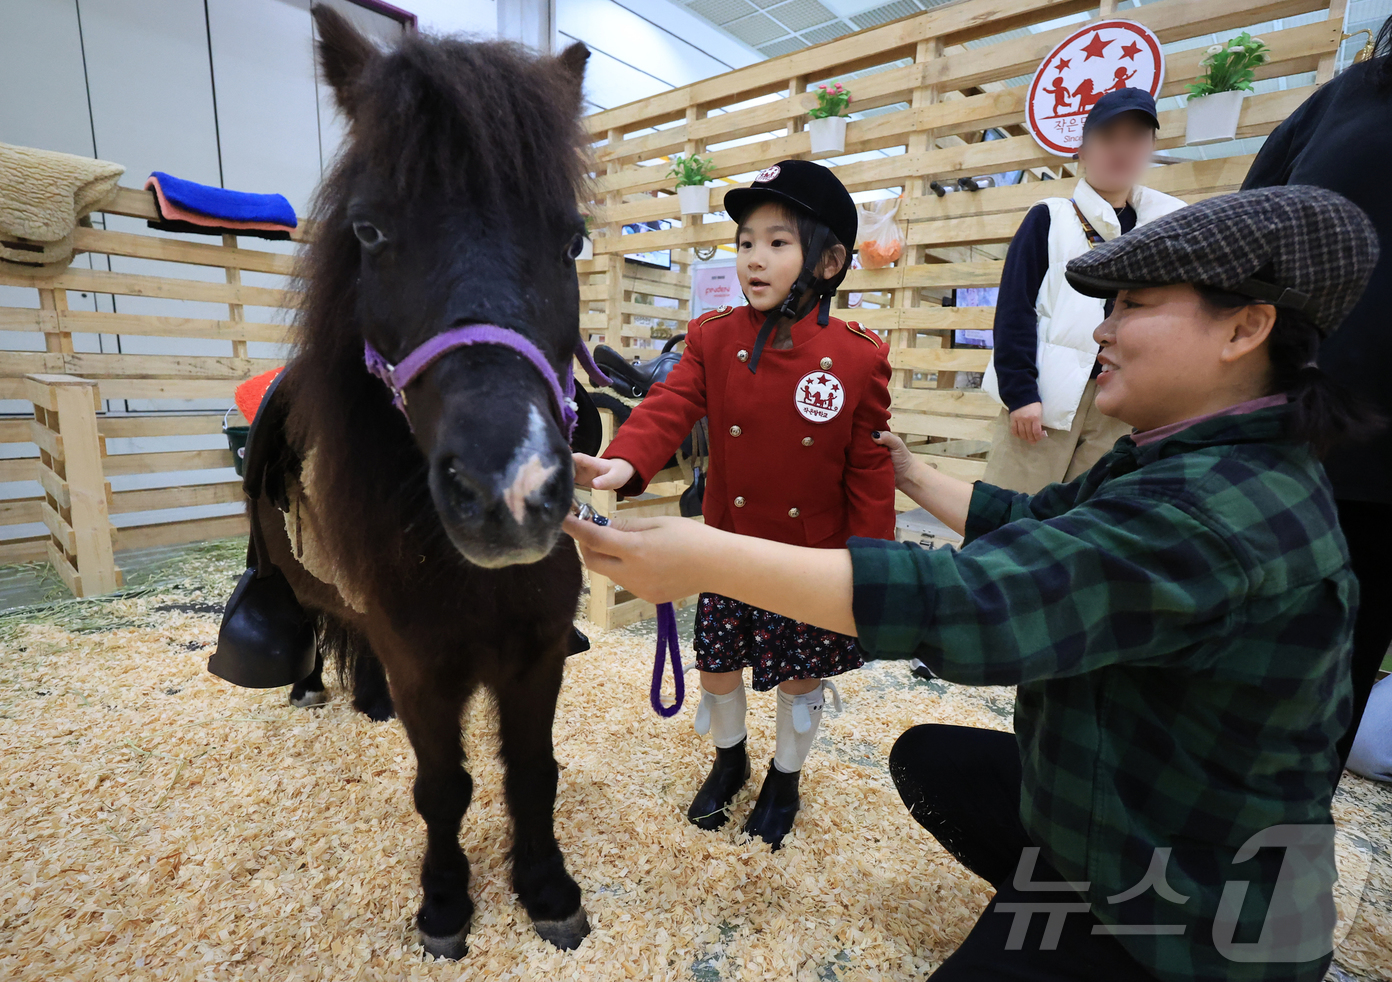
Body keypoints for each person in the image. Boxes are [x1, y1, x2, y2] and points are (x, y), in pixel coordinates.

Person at [563, 186, 1381, 982]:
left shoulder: (1214, 514)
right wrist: (911, 471)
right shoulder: (1187, 458)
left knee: (825, 693)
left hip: (1204, 920)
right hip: (1138, 807)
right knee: (928, 756)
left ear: (1246, 326)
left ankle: (1077, 927)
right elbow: (1031, 518)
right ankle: (1044, 887)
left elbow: (981, 603)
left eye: (1132, 303)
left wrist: (706, 556)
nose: (1102, 328)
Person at [571, 159, 896, 848]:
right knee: (716, 665)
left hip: (808, 560)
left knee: (799, 676)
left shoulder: (858, 357)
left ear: (831, 261)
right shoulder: (712, 335)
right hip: (723, 546)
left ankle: (784, 777)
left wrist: (878, 573)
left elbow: (869, 470)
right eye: (746, 241)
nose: (754, 258)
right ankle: (730, 759)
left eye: (778, 242)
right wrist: (624, 460)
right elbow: (672, 401)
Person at [1242, 15, 1392, 774]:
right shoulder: (1353, 96)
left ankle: (1264, 873)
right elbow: (1247, 230)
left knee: (1326, 704)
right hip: (1280, 436)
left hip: (1381, 491)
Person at [982, 87, 1185, 494]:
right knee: (1006, 518)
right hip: (1045, 403)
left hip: (1121, 403)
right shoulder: (1049, 218)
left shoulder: (1165, 227)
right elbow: (1014, 310)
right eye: (1108, 138)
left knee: (1082, 523)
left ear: (1151, 148)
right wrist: (1021, 394)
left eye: (1135, 138)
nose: (1121, 150)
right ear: (1082, 149)